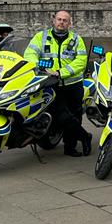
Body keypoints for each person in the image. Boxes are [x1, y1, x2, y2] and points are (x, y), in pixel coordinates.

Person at [24, 10, 92, 157]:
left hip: (73, 84)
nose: (61, 22)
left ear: (70, 23)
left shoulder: (76, 39)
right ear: (53, 21)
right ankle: (85, 137)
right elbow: (29, 55)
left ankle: (70, 147)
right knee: (61, 115)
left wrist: (61, 72)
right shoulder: (40, 37)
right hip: (50, 84)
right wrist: (42, 67)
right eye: (59, 19)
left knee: (75, 115)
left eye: (65, 20)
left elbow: (81, 61)